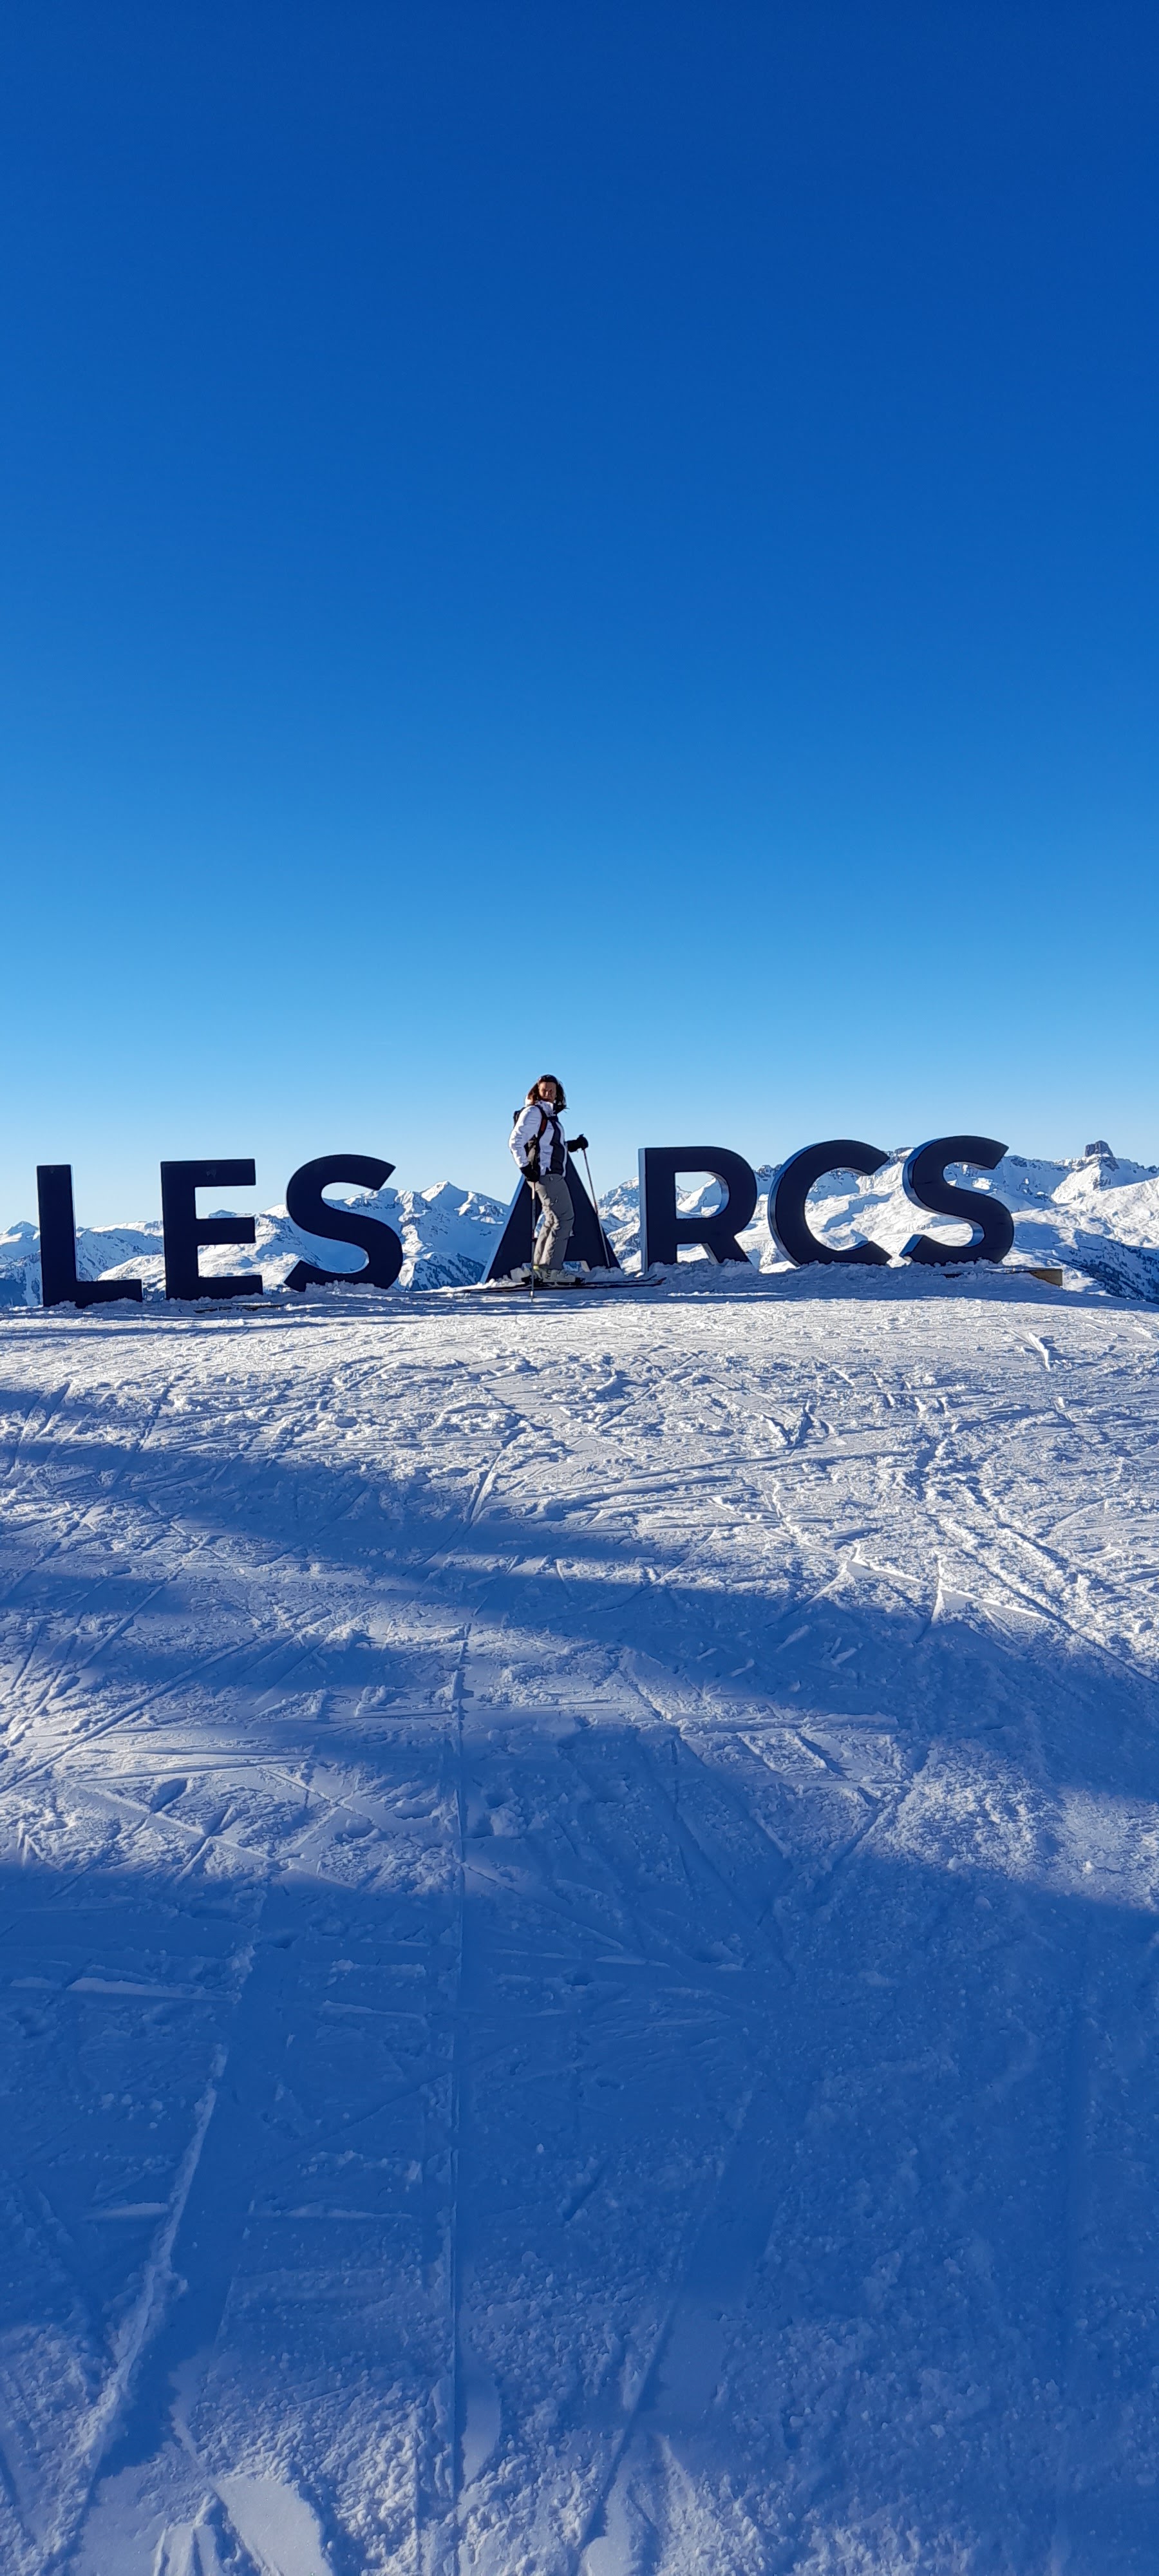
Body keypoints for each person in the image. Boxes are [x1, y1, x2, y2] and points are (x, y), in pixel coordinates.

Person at [509, 1076, 589, 1280]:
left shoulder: (547, 1115)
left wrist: (573, 1145)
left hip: (546, 1174)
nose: (549, 1093)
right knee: (564, 1219)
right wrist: (525, 1167)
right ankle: (552, 1270)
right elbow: (515, 1141)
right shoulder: (534, 1113)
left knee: (552, 1220)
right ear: (537, 1091)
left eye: (552, 1090)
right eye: (545, 1090)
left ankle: (541, 1269)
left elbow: (549, 1145)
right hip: (548, 1176)